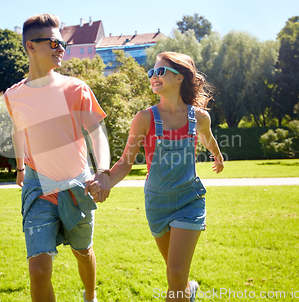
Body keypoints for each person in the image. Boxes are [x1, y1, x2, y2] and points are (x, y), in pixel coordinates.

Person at [95, 51, 224, 301]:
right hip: (156, 202)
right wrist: (105, 179)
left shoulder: (199, 118)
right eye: (151, 72)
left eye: (160, 71)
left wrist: (217, 156)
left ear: (180, 78)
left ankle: (185, 288)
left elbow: (208, 140)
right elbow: (125, 162)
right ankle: (189, 290)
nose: (154, 76)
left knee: (175, 274)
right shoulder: (144, 119)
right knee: (177, 275)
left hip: (189, 199)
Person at [4, 13, 111, 302]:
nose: (61, 48)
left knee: (82, 251)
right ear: (31, 46)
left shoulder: (75, 88)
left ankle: (90, 296)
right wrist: (20, 168)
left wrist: (102, 171)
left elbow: (97, 133)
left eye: (62, 43)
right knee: (38, 269)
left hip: (77, 185)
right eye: (53, 42)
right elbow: (17, 131)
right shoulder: (13, 95)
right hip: (38, 187)